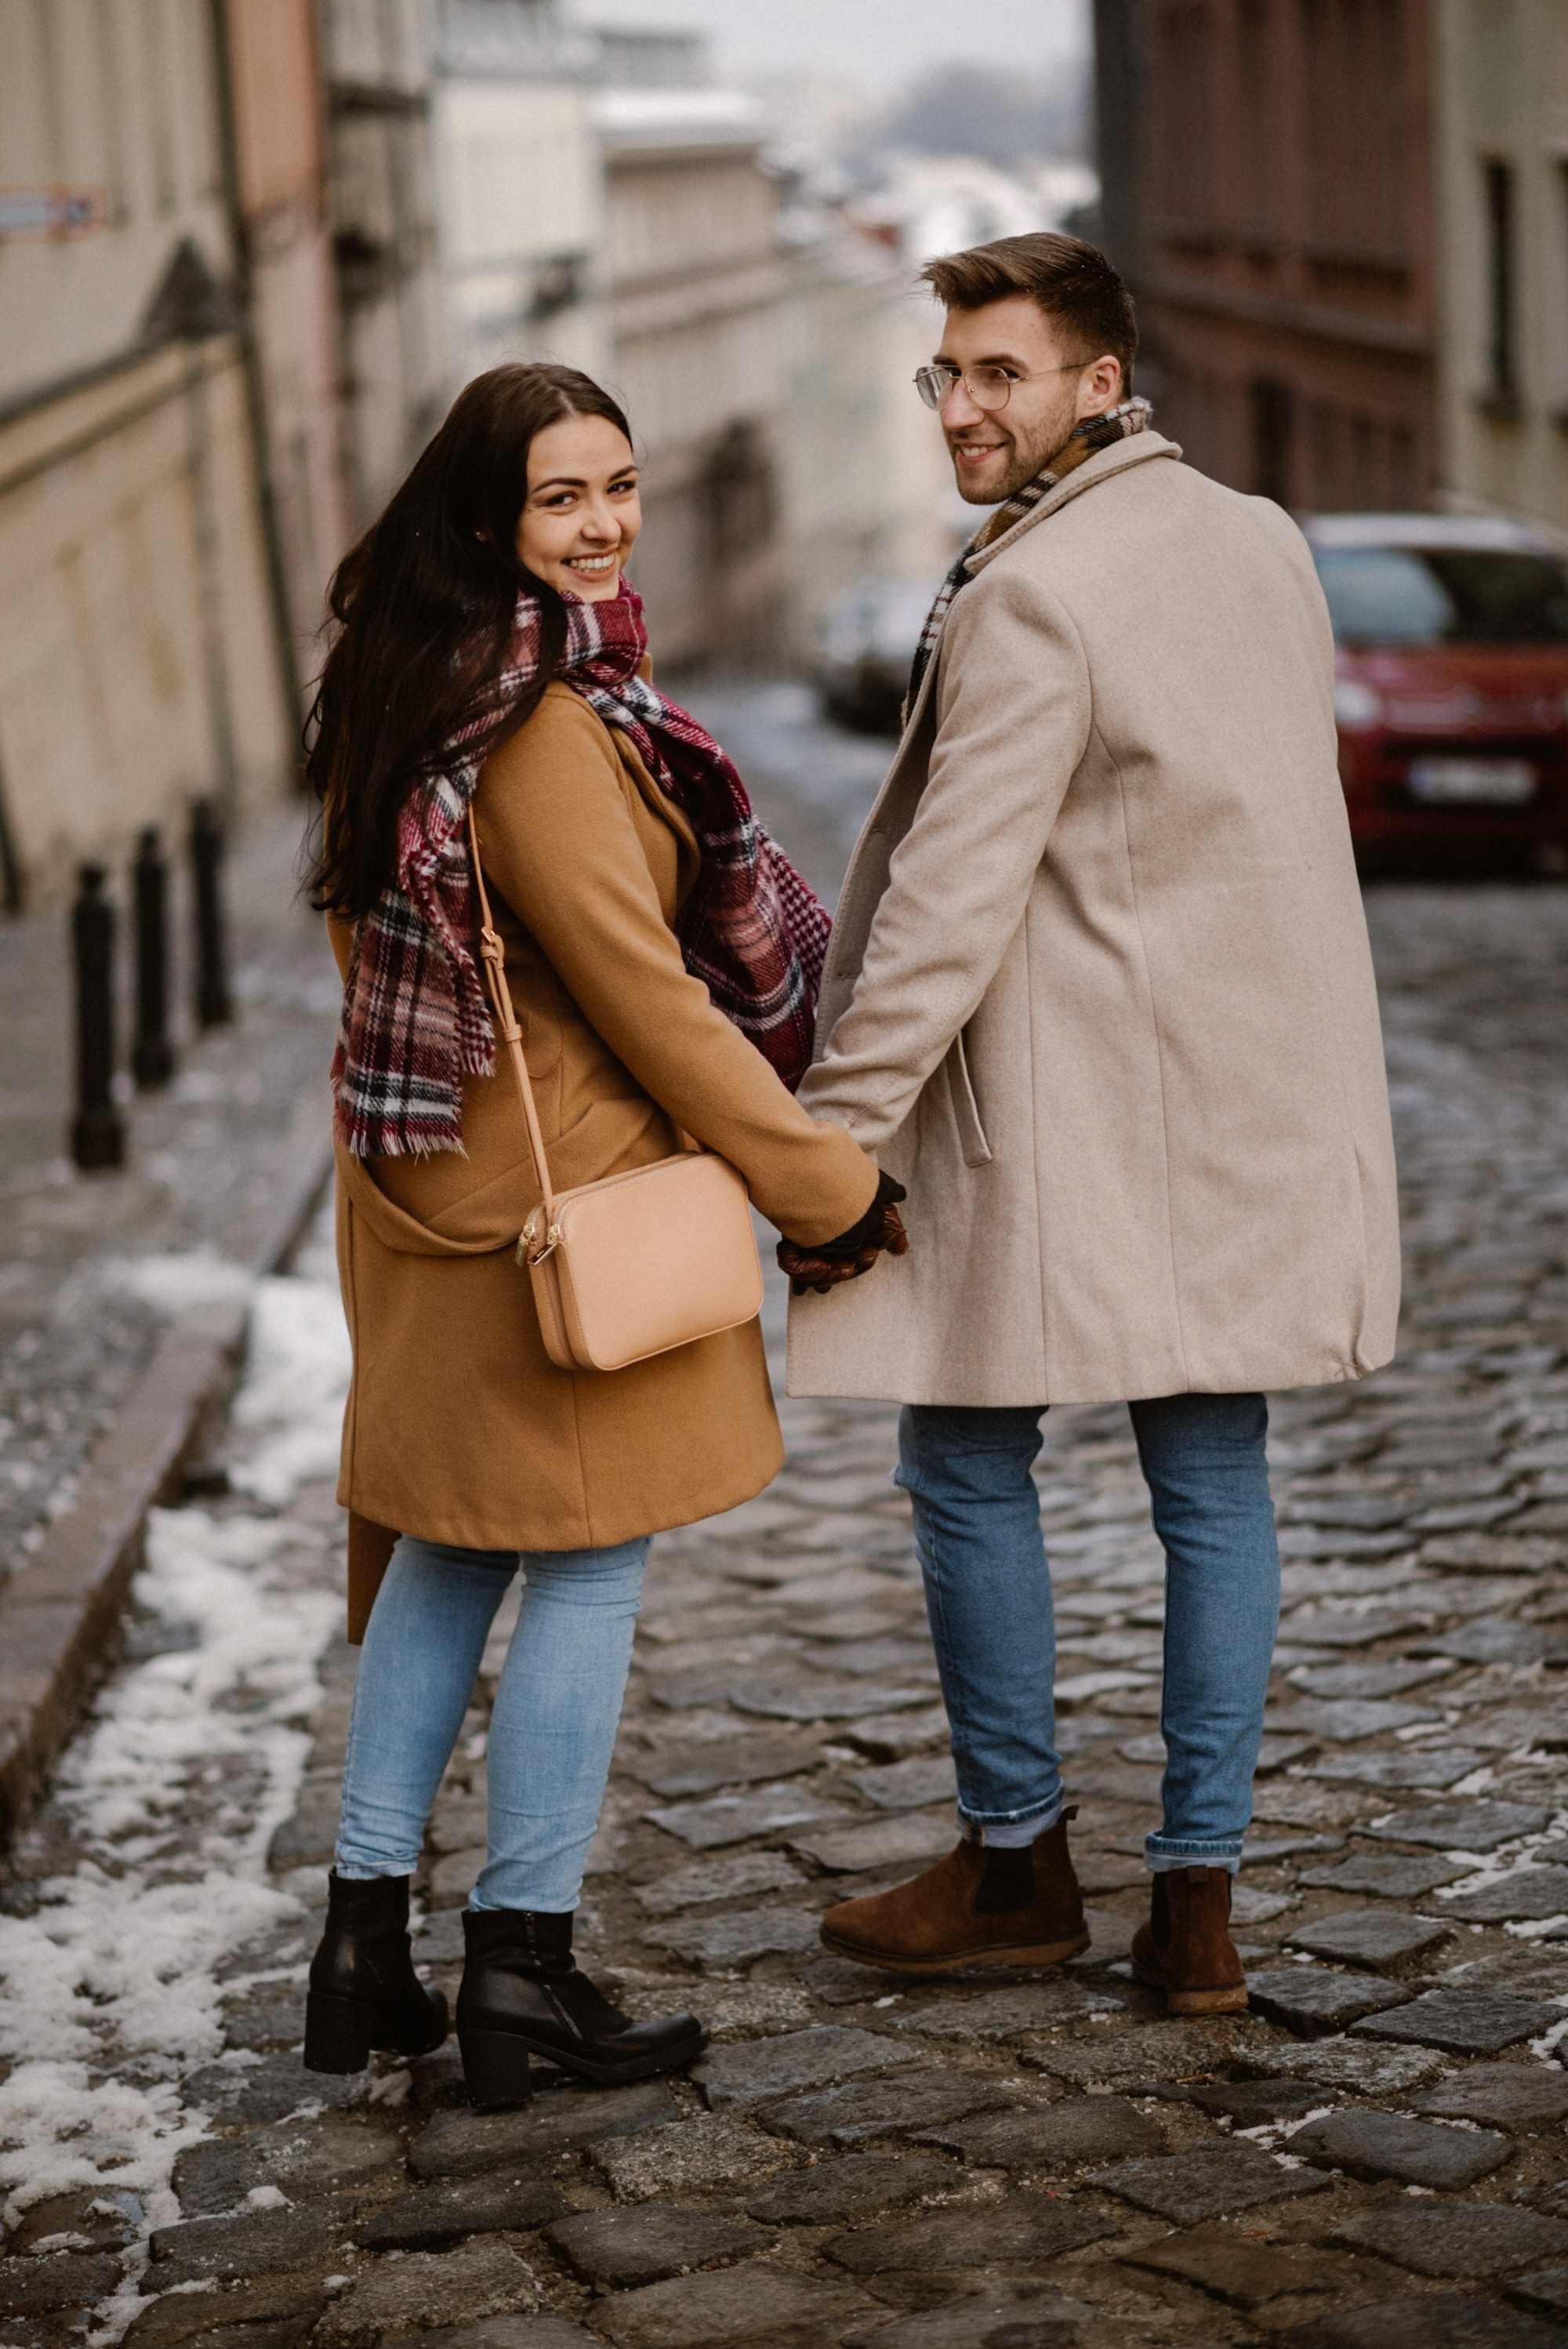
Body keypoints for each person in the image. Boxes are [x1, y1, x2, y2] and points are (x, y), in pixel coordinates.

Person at [782, 234, 1399, 2013]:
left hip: (1069, 1114)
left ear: (1099, 385)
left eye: (1000, 375)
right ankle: (1194, 1910)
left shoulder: (1032, 595)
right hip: (1250, 1094)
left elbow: (943, 914)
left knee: (965, 1457)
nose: (961, 409)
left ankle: (1014, 1864)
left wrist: (833, 1149)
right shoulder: (1259, 537)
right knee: (1213, 1483)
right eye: (946, 376)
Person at [300, 362, 906, 2109]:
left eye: (620, 486)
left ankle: (362, 1938)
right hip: (565, 1215)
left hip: (434, 1189)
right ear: (489, 518)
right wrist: (822, 1184)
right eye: (564, 496)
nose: (604, 522)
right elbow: (652, 1002)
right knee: (585, 1555)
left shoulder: (402, 685)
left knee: (444, 1546)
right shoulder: (548, 726)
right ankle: (523, 1965)